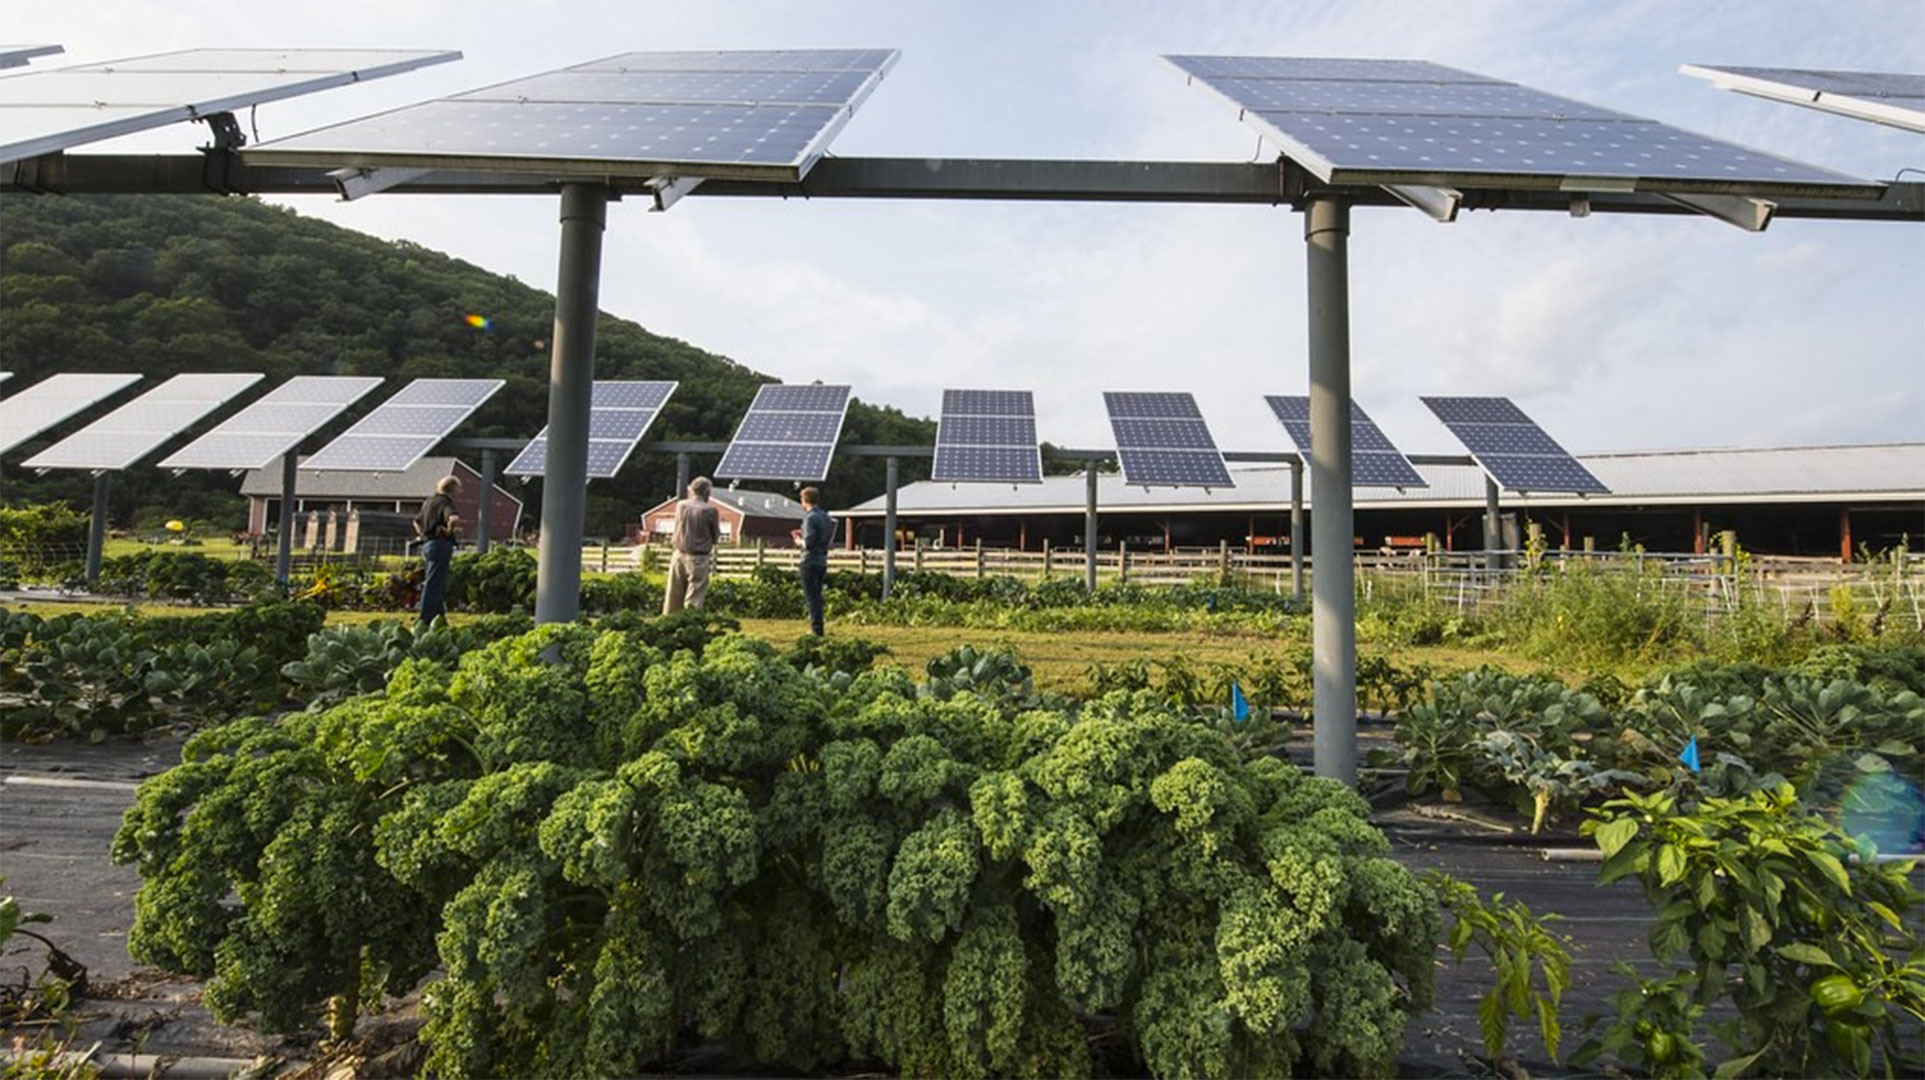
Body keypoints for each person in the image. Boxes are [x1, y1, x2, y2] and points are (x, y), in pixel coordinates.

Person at [662, 476, 721, 614]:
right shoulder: (710, 510)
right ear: (707, 492)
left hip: (678, 554)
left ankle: (668, 623)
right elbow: (715, 535)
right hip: (698, 558)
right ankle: (689, 623)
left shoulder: (681, 506)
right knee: (695, 594)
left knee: (673, 595)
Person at [414, 475, 462, 624]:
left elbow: (416, 521)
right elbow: (454, 519)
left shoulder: (429, 502)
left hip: (427, 544)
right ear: (452, 489)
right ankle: (424, 620)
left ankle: (439, 619)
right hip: (440, 545)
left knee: (435, 582)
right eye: (459, 488)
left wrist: (422, 534)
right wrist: (449, 531)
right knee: (433, 585)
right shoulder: (445, 502)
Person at [797, 486, 833, 636]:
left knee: (811, 597)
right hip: (822, 559)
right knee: (817, 595)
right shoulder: (825, 517)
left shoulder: (810, 518)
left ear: (804, 500)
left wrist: (799, 541)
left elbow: (809, 542)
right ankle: (818, 627)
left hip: (809, 560)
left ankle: (816, 630)